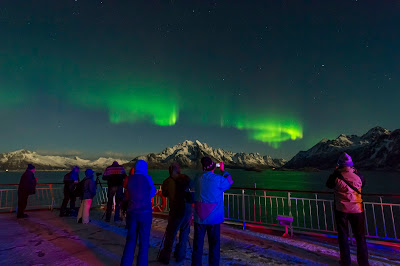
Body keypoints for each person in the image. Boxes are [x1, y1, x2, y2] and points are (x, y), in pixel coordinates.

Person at [326, 152, 369, 266]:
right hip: (357, 209)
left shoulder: (336, 176)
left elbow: (329, 184)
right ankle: (363, 262)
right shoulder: (359, 176)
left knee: (343, 237)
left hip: (341, 210)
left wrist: (336, 171)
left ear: (339, 165)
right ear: (351, 164)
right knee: (360, 237)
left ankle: (345, 262)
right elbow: (362, 184)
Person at [192, 157, 233, 266]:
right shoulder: (217, 179)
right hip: (213, 218)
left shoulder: (197, 178)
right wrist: (223, 171)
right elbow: (229, 181)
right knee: (214, 247)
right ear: (213, 167)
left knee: (197, 246)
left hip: (199, 217)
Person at [121, 160, 156, 266]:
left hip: (131, 212)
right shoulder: (147, 178)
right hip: (145, 213)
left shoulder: (129, 179)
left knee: (130, 240)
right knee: (144, 243)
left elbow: (127, 193)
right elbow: (153, 193)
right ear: (145, 168)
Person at [158, 162, 193, 264]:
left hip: (176, 211)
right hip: (187, 210)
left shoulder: (167, 181)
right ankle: (180, 255)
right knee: (184, 233)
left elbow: (164, 193)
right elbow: (192, 186)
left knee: (170, 234)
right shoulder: (186, 178)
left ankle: (166, 257)